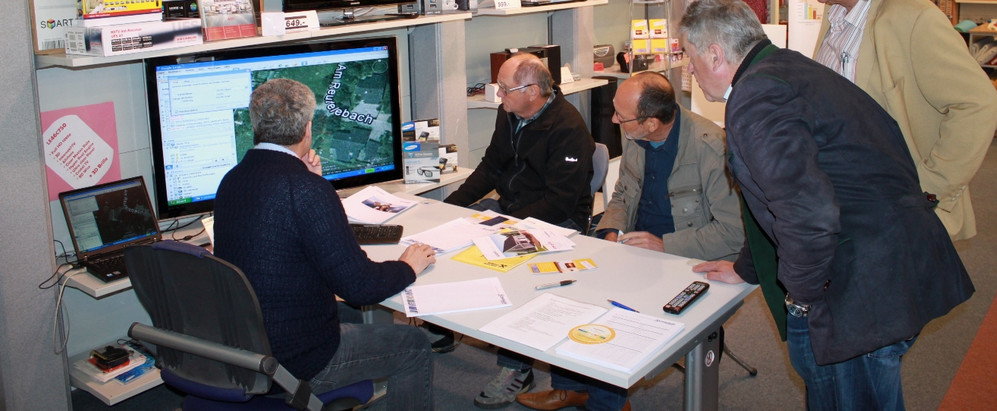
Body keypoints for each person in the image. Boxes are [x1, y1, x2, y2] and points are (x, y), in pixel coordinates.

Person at [681, 0, 974, 410]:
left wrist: (803, 298)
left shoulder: (756, 99)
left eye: (690, 57)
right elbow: (779, 198)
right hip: (890, 264)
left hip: (859, 289)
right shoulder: (787, 70)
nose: (690, 70)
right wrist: (748, 268)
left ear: (714, 53)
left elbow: (807, 213)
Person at [517, 71, 744, 411]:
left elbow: (732, 232)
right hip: (635, 249)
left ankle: (607, 403)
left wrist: (664, 245)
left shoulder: (711, 147)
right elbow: (623, 193)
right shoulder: (635, 133)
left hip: (687, 257)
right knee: (573, 293)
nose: (613, 120)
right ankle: (571, 387)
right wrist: (610, 231)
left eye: (620, 116)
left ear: (651, 123)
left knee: (619, 318)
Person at [214, 78, 435, 409]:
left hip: (246, 346)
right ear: (307, 128)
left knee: (348, 314)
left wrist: (311, 182)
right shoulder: (306, 191)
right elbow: (359, 287)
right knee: (413, 344)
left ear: (256, 125)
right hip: (293, 362)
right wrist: (408, 266)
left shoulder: (232, 180)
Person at [802, 0, 997, 240]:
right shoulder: (835, 9)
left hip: (894, 211)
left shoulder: (914, 20)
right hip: (847, 198)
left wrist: (930, 188)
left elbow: (979, 105)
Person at [444, 52, 595, 408]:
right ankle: (441, 327)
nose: (499, 95)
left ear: (532, 92)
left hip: (557, 220)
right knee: (452, 241)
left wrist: (505, 229)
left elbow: (559, 202)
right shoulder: (510, 113)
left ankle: (516, 369)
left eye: (505, 89)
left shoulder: (569, 129)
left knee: (511, 272)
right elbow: (491, 167)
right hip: (512, 210)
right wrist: (450, 206)